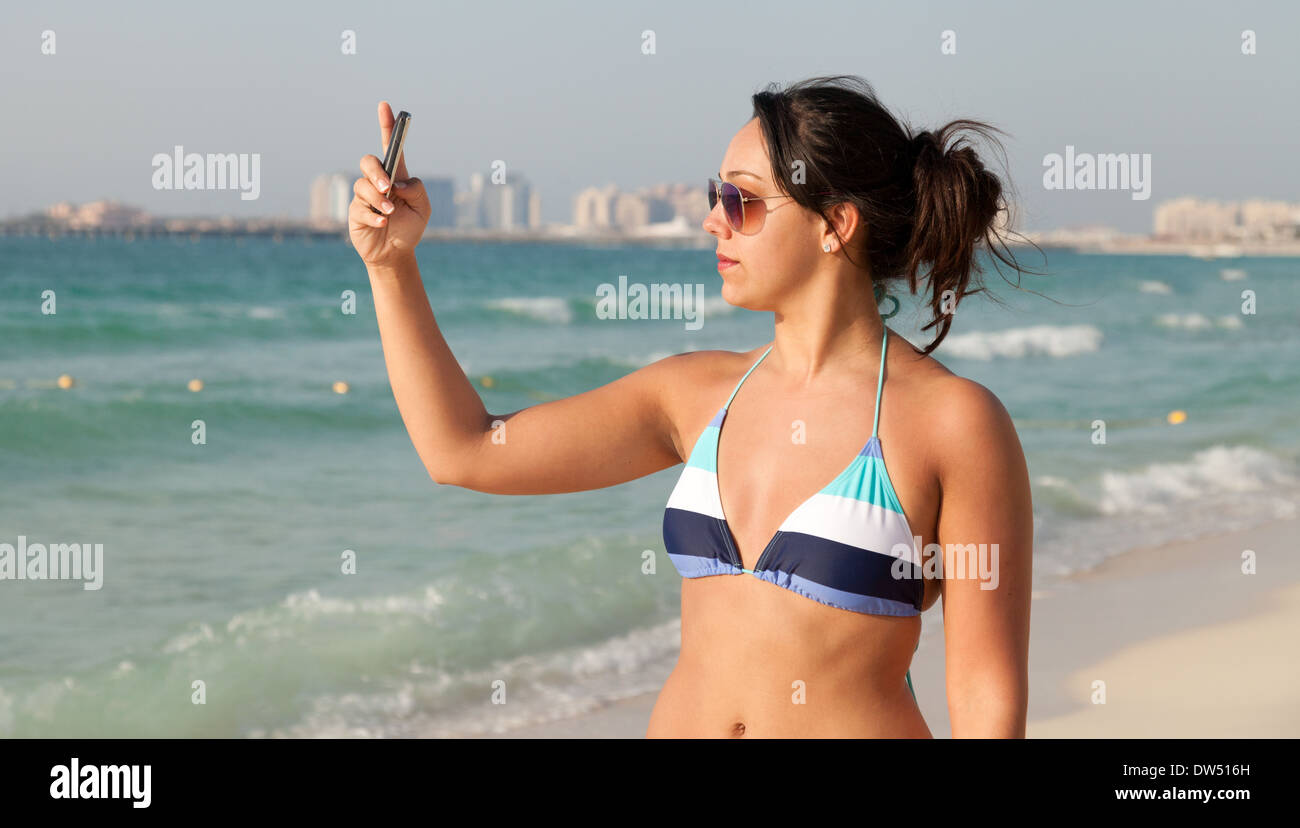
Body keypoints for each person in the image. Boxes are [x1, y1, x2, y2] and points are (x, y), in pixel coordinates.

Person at [350, 75, 1034, 737]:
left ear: (836, 225)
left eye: (742, 200)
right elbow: (463, 450)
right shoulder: (693, 394)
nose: (713, 220)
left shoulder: (953, 423)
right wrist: (390, 265)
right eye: (717, 195)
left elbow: (984, 696)